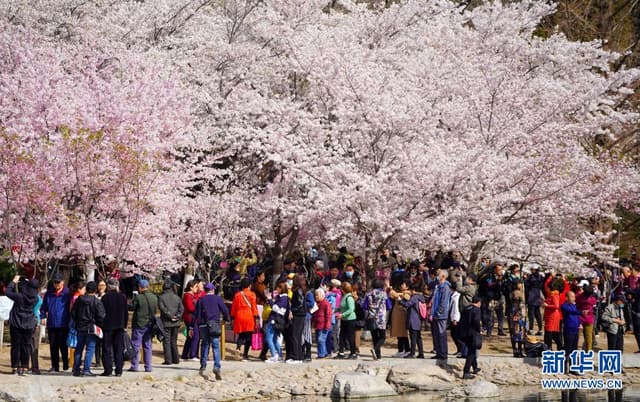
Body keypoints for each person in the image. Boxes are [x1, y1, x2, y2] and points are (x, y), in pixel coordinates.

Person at [194, 282, 229, 380]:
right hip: (214, 324)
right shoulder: (217, 299)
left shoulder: (201, 300)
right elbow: (225, 310)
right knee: (215, 346)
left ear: (205, 290)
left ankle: (203, 365)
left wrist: (193, 326)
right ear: (213, 290)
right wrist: (225, 319)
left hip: (203, 325)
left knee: (204, 344)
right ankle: (217, 366)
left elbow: (197, 314)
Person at [71, 281, 105, 377]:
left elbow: (73, 313)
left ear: (86, 289)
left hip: (80, 326)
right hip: (91, 327)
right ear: (95, 290)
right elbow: (101, 315)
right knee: (90, 349)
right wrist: (99, 324)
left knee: (79, 348)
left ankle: (76, 369)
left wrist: (78, 321)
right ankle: (86, 369)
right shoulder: (96, 301)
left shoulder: (79, 300)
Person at [7, 275, 39, 376]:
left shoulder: (19, 296)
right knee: (26, 346)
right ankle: (24, 366)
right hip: (29, 324)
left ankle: (15, 366)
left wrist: (13, 281)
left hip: (16, 323)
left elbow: (8, 292)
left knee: (16, 345)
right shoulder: (36, 299)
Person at [40, 273, 71, 373]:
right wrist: (43, 316)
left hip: (64, 323)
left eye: (58, 282)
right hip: (52, 323)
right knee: (53, 346)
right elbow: (44, 307)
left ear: (63, 282)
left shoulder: (67, 294)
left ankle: (65, 363)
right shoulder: (49, 294)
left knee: (63, 345)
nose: (56, 284)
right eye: (55, 282)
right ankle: (55, 366)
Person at [128, 279, 158, 373]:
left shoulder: (138, 297)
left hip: (139, 323)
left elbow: (132, 307)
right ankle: (148, 366)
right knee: (148, 345)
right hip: (150, 324)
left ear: (140, 287)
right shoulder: (154, 297)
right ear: (148, 286)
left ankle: (134, 365)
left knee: (136, 345)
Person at [100, 278, 128, 377]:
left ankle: (108, 370)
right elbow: (126, 313)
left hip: (107, 326)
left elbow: (102, 313)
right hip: (120, 326)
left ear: (108, 286)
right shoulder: (123, 297)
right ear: (117, 286)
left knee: (107, 349)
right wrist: (125, 325)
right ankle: (119, 370)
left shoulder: (105, 298)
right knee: (119, 348)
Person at [230, 278, 259, 361]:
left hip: (239, 316)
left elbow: (233, 308)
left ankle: (238, 348)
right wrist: (256, 317)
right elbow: (254, 307)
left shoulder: (237, 295)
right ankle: (245, 354)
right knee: (248, 336)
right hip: (249, 316)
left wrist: (232, 317)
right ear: (249, 285)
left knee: (241, 335)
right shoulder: (252, 294)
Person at [363, 279, 391, 360]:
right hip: (381, 318)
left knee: (375, 337)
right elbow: (389, 306)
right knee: (382, 337)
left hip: (371, 317)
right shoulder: (384, 294)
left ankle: (378, 356)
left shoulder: (368, 294)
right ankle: (376, 350)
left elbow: (365, 306)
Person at [158, 279, 183, 365]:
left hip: (166, 322)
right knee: (174, 340)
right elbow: (181, 309)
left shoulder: (161, 297)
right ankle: (176, 359)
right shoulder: (177, 297)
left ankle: (168, 359)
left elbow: (163, 309)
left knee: (167, 341)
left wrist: (170, 316)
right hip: (176, 322)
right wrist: (177, 316)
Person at [265, 280, 289, 363]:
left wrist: (270, 300)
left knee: (269, 338)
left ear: (281, 289)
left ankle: (274, 355)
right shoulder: (283, 298)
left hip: (274, 320)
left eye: (278, 288)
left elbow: (276, 309)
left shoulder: (283, 298)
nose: (276, 290)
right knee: (275, 339)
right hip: (277, 320)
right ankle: (280, 356)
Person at [400, 283, 426, 359]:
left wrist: (400, 300)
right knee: (418, 337)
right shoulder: (421, 297)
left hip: (413, 320)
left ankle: (412, 353)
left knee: (413, 337)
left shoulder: (414, 297)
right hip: (418, 320)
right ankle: (421, 353)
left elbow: (407, 304)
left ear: (413, 290)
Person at [430, 270, 452, 361]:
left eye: (438, 275)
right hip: (434, 313)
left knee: (441, 334)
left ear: (443, 276)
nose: (437, 276)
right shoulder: (437, 287)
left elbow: (443, 302)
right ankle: (438, 352)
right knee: (436, 334)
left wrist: (438, 312)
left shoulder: (445, 287)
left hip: (441, 315)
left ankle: (443, 353)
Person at [459, 295, 482, 380]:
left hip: (464, 333)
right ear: (479, 303)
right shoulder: (476, 310)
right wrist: (479, 329)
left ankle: (475, 368)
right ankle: (466, 371)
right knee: (471, 352)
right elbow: (476, 321)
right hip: (472, 333)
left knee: (470, 349)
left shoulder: (466, 308)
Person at [335, 281, 357, 359]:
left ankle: (353, 353)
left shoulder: (349, 297)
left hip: (350, 320)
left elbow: (351, 309)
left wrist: (342, 315)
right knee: (342, 336)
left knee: (351, 336)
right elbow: (342, 307)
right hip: (344, 320)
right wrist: (335, 310)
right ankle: (341, 352)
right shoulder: (344, 297)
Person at [561, 291, 582, 372]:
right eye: (572, 297)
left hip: (575, 330)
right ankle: (564, 366)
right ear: (567, 298)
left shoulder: (574, 306)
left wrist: (580, 323)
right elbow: (572, 312)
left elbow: (577, 316)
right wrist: (581, 311)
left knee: (574, 349)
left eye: (574, 297)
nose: (574, 298)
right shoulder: (564, 306)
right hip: (568, 330)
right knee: (568, 349)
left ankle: (573, 367)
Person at [181, 280, 200, 361]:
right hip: (189, 318)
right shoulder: (187, 295)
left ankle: (185, 354)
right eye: (196, 286)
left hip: (194, 317)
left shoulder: (194, 295)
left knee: (190, 337)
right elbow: (190, 307)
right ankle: (192, 354)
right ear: (191, 287)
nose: (197, 288)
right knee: (195, 335)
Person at [389, 282, 410, 357]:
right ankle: (400, 350)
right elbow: (391, 295)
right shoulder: (400, 293)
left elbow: (406, 297)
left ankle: (406, 350)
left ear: (407, 287)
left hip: (402, 317)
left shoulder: (407, 294)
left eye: (403, 284)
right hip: (397, 317)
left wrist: (391, 289)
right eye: (401, 284)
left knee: (403, 334)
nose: (401, 285)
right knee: (399, 334)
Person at [543, 276, 564, 350]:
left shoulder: (554, 294)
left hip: (553, 316)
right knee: (552, 334)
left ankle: (550, 349)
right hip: (550, 315)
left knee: (550, 334)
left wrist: (547, 305)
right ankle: (550, 348)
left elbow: (556, 305)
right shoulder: (552, 294)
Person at [312, 288, 332, 359]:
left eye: (317, 295)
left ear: (322, 295)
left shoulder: (326, 303)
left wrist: (327, 325)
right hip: (318, 325)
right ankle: (324, 353)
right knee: (318, 340)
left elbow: (328, 315)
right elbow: (314, 314)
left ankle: (321, 354)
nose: (316, 297)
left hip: (323, 325)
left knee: (321, 340)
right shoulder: (316, 303)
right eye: (315, 295)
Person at [576, 284, 597, 351]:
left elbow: (594, 308)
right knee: (580, 336)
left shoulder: (592, 298)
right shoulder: (579, 297)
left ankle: (588, 351)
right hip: (580, 318)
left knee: (588, 337)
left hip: (587, 318)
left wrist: (588, 310)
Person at [525, 266, 544, 335]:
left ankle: (531, 329)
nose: (531, 270)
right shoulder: (540, 277)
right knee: (538, 314)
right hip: (537, 296)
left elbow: (526, 286)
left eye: (532, 269)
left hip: (531, 297)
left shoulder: (530, 277)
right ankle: (540, 329)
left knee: (531, 314)